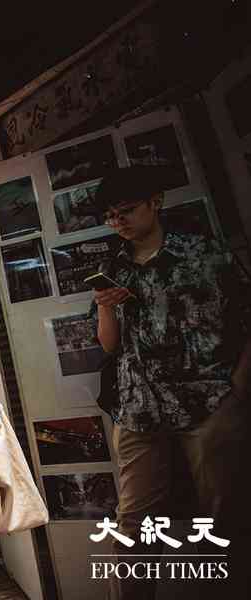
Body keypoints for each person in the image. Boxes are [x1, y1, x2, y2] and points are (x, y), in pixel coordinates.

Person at [90, 165, 251, 600]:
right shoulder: (113, 266)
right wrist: (105, 306)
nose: (117, 222)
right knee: (134, 523)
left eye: (125, 211)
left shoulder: (203, 254)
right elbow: (108, 346)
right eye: (110, 216)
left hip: (209, 400)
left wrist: (239, 387)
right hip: (139, 406)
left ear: (155, 203)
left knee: (224, 516)